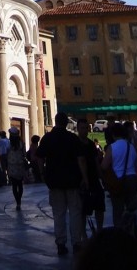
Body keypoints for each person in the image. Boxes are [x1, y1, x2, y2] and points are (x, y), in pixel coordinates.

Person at [36, 110, 87, 256]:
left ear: (56, 122)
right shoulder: (72, 138)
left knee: (58, 213)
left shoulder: (47, 138)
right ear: (66, 123)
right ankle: (76, 242)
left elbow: (39, 157)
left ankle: (60, 243)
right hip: (72, 181)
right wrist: (85, 178)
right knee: (75, 212)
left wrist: (42, 173)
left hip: (55, 181)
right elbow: (81, 160)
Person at [101, 120, 137, 228]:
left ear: (113, 134)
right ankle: (133, 233)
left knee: (118, 211)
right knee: (132, 210)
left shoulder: (112, 147)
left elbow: (104, 166)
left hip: (118, 180)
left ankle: (120, 235)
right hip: (132, 180)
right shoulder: (130, 146)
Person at [76, 117, 105, 236]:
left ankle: (99, 230)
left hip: (93, 178)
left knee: (99, 206)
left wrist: (101, 177)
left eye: (86, 128)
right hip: (82, 180)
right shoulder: (76, 144)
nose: (85, 130)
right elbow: (80, 161)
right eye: (82, 128)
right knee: (83, 209)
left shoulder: (91, 144)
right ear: (77, 129)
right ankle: (83, 234)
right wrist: (85, 180)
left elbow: (96, 161)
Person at [7, 131, 27, 210]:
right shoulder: (22, 144)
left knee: (14, 186)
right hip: (20, 166)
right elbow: (24, 154)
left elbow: (5, 154)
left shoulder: (9, 144)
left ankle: (17, 202)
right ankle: (19, 201)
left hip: (12, 166)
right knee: (20, 185)